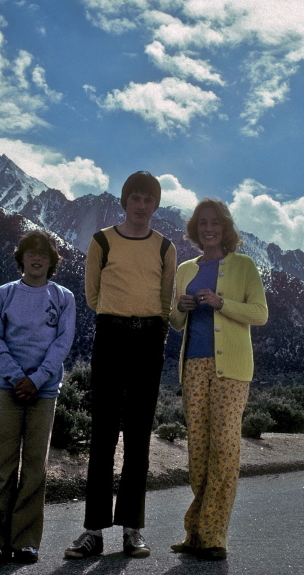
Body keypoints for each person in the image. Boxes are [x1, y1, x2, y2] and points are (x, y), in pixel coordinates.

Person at [65, 171, 177, 560]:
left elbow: (166, 299)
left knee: (139, 436)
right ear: (125, 201)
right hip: (110, 337)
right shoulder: (102, 241)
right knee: (103, 434)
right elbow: (93, 295)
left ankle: (133, 529)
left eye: (148, 200)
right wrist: (119, 317)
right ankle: (93, 531)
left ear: (155, 206)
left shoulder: (165, 248)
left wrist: (149, 328)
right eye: (135, 198)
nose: (141, 206)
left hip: (149, 341)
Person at [168, 198, 268, 561]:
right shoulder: (185, 269)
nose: (208, 228)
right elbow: (175, 322)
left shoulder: (244, 266)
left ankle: (214, 536)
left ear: (225, 229)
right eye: (202, 223)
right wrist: (180, 308)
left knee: (224, 448)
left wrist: (221, 303)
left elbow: (260, 314)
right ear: (195, 229)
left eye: (215, 223)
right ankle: (195, 533)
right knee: (198, 450)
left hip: (232, 370)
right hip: (194, 366)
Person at [0, 230, 76, 565]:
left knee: (35, 467)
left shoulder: (63, 297)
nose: (37, 258)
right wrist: (17, 377)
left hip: (44, 391)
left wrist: (36, 379)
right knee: (2, 464)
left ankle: (26, 541)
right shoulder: (3, 294)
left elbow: (62, 344)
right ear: (21, 258)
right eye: (31, 252)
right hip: (8, 388)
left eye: (43, 253)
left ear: (52, 261)